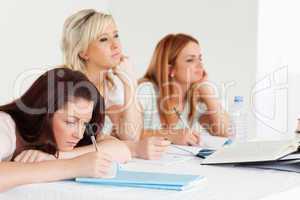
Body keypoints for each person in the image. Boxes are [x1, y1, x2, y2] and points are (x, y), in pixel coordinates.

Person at [61, 9, 170, 160]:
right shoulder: (66, 85)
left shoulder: (111, 85)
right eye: (104, 39)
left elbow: (130, 135)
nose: (116, 45)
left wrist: (129, 83)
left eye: (116, 36)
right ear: (83, 52)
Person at [0, 68, 131, 192]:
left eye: (85, 123)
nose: (79, 135)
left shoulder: (74, 133)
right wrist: (73, 166)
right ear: (43, 114)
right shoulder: (5, 124)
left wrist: (56, 157)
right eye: (70, 122)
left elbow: (121, 151)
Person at [137, 33, 230, 145]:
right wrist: (170, 135)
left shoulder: (195, 96)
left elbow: (225, 133)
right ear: (170, 69)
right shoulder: (146, 91)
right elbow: (126, 135)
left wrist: (206, 91)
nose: (200, 65)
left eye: (200, 58)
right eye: (190, 60)